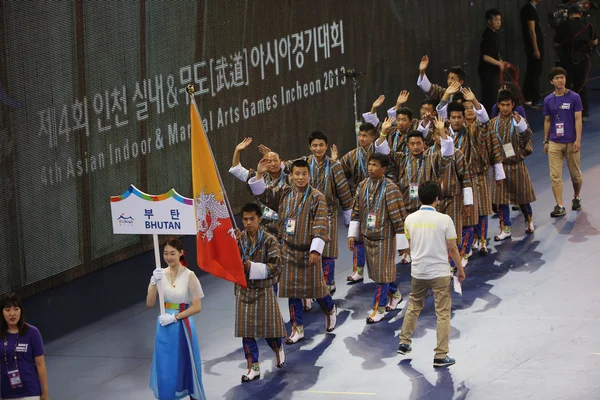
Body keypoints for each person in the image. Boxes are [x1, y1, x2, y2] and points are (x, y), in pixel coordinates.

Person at [248, 159, 338, 344]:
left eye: (304, 174)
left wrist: (316, 250)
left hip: (308, 252)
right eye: (297, 174)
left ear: (309, 175)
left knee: (318, 290)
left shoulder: (316, 197)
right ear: (291, 176)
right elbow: (263, 195)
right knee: (291, 292)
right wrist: (258, 174)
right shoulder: (284, 193)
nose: (300, 177)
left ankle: (329, 309)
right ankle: (298, 328)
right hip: (287, 250)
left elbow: (321, 223)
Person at [260, 132, 353, 299]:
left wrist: (349, 216)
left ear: (326, 146)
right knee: (309, 253)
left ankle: (327, 285)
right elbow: (284, 165)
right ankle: (312, 288)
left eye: (321, 145)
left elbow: (344, 191)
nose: (318, 149)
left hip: (327, 213)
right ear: (310, 147)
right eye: (314, 146)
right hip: (304, 215)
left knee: (327, 251)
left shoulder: (334, 166)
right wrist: (271, 158)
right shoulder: (305, 163)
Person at [397, 181, 466, 368]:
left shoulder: (409, 219)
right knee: (443, 313)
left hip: (418, 272)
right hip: (439, 273)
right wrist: (460, 270)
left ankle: (404, 342)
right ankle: (441, 355)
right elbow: (452, 249)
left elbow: (410, 246)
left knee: (414, 306)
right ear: (437, 198)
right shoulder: (445, 220)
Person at [348, 153, 408, 323]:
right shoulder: (362, 185)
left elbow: (398, 218)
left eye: (375, 165)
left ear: (384, 169)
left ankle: (379, 309)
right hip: (368, 236)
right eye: (369, 164)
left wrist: (403, 244)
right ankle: (395, 294)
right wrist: (353, 234)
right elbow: (356, 211)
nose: (370, 168)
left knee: (382, 275)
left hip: (385, 238)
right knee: (380, 273)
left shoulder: (391, 188)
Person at [147, 238, 206, 400]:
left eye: (173, 253)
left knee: (186, 362)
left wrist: (175, 317)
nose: (169, 257)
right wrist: (153, 283)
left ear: (181, 253)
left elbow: (197, 307)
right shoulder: (160, 275)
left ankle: (193, 394)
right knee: (165, 365)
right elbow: (149, 303)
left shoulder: (189, 276)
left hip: (182, 326)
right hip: (164, 327)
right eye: (165, 253)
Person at [234, 203, 287, 382]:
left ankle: (278, 347)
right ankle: (253, 367)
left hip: (263, 290)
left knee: (267, 331)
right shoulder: (238, 239)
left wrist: (252, 267)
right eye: (245, 219)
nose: (248, 223)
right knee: (246, 332)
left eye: (252, 219)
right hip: (243, 290)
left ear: (260, 219)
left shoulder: (270, 240)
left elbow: (276, 266)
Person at [332, 122, 378, 283]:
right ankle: (358, 271)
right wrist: (334, 162)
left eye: (365, 135)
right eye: (360, 135)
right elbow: (338, 175)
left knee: (377, 236)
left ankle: (380, 269)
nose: (361, 138)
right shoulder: (351, 156)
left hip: (379, 200)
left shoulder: (380, 153)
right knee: (357, 236)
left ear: (373, 137)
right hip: (358, 201)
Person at [490, 91, 536, 241]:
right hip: (500, 166)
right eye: (502, 105)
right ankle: (506, 228)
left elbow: (527, 137)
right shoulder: (492, 123)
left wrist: (521, 126)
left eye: (508, 105)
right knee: (502, 199)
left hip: (516, 164)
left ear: (513, 105)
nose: (505, 108)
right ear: (498, 105)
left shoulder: (518, 120)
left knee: (522, 196)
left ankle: (529, 220)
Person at [462, 94, 505, 255]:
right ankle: (471, 240)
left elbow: (494, 149)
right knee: (468, 211)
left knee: (482, 209)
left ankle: (482, 242)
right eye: (466, 108)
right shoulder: (459, 130)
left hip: (480, 174)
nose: (470, 111)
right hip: (464, 178)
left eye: (472, 107)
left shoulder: (483, 127)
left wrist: (498, 174)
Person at [543, 67, 583, 217]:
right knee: (555, 176)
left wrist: (578, 140)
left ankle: (576, 197)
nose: (560, 80)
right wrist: (545, 141)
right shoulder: (548, 100)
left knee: (575, 175)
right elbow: (547, 121)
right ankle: (559, 205)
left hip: (571, 142)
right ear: (551, 81)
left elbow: (578, 119)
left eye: (562, 77)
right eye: (557, 78)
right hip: (554, 141)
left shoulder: (574, 97)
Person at [229, 138, 288, 236]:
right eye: (269, 161)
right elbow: (237, 170)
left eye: (275, 160)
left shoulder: (290, 178)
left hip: (286, 225)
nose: (273, 164)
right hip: (266, 227)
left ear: (281, 162)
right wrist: (237, 151)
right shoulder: (258, 177)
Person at [0, 293, 49, 400]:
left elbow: (40, 364)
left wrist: (45, 393)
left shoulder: (32, 332)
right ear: (2, 313)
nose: (12, 314)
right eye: (7, 310)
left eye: (16, 309)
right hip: (6, 393)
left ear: (21, 311)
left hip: (30, 391)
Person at [553, 4, 598, 120]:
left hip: (567, 59)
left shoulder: (563, 25)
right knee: (581, 85)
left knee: (565, 85)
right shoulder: (588, 25)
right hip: (583, 59)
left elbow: (556, 43)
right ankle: (583, 113)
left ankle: (564, 112)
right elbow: (595, 42)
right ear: (581, 14)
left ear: (569, 14)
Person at [478, 8, 508, 113]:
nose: (498, 22)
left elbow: (494, 53)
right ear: (489, 21)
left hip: (492, 71)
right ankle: (487, 118)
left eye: (499, 20)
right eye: (495, 20)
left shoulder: (494, 34)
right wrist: (499, 63)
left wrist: (500, 61)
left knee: (493, 95)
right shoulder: (488, 35)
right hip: (487, 71)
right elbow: (485, 57)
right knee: (489, 97)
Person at [521, 0, 544, 107]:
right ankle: (535, 98)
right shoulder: (529, 9)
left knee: (532, 71)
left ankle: (527, 96)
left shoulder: (530, 9)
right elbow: (531, 30)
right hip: (534, 47)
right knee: (535, 71)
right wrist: (536, 49)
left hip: (535, 46)